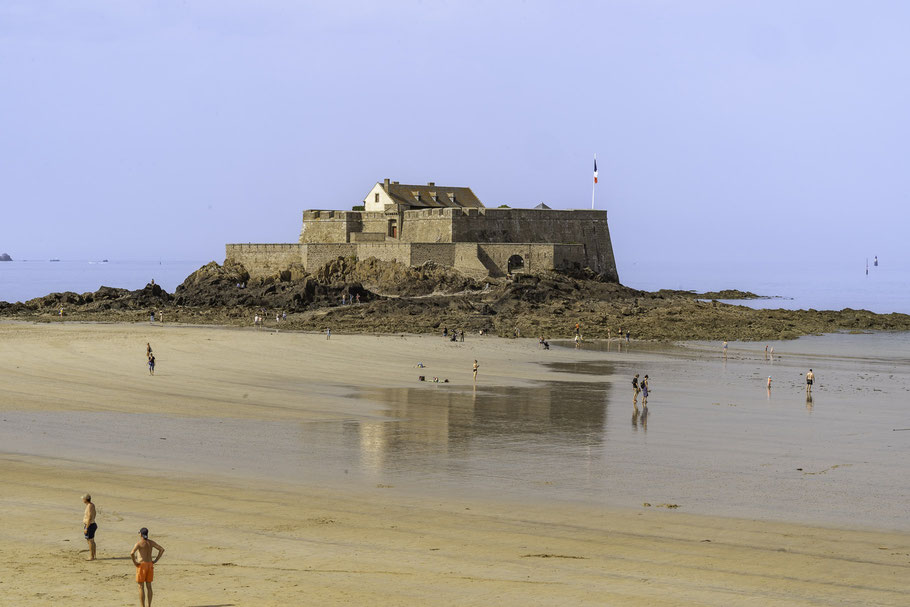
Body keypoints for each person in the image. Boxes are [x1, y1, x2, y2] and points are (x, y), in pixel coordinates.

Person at [131, 528, 164, 607]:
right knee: (149, 586)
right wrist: (155, 560)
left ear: (141, 534)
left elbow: (132, 553)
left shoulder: (139, 543)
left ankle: (142, 606)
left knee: (141, 586)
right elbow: (161, 549)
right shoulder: (151, 542)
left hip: (142, 565)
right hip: (150, 565)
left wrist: (135, 562)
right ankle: (149, 605)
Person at [82, 494, 97, 561]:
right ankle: (94, 555)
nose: (82, 500)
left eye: (83, 499)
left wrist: (86, 528)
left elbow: (89, 517)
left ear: (85, 499)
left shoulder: (89, 506)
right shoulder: (92, 505)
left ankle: (92, 556)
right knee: (92, 540)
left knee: (90, 541)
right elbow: (95, 514)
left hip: (90, 525)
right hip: (92, 524)